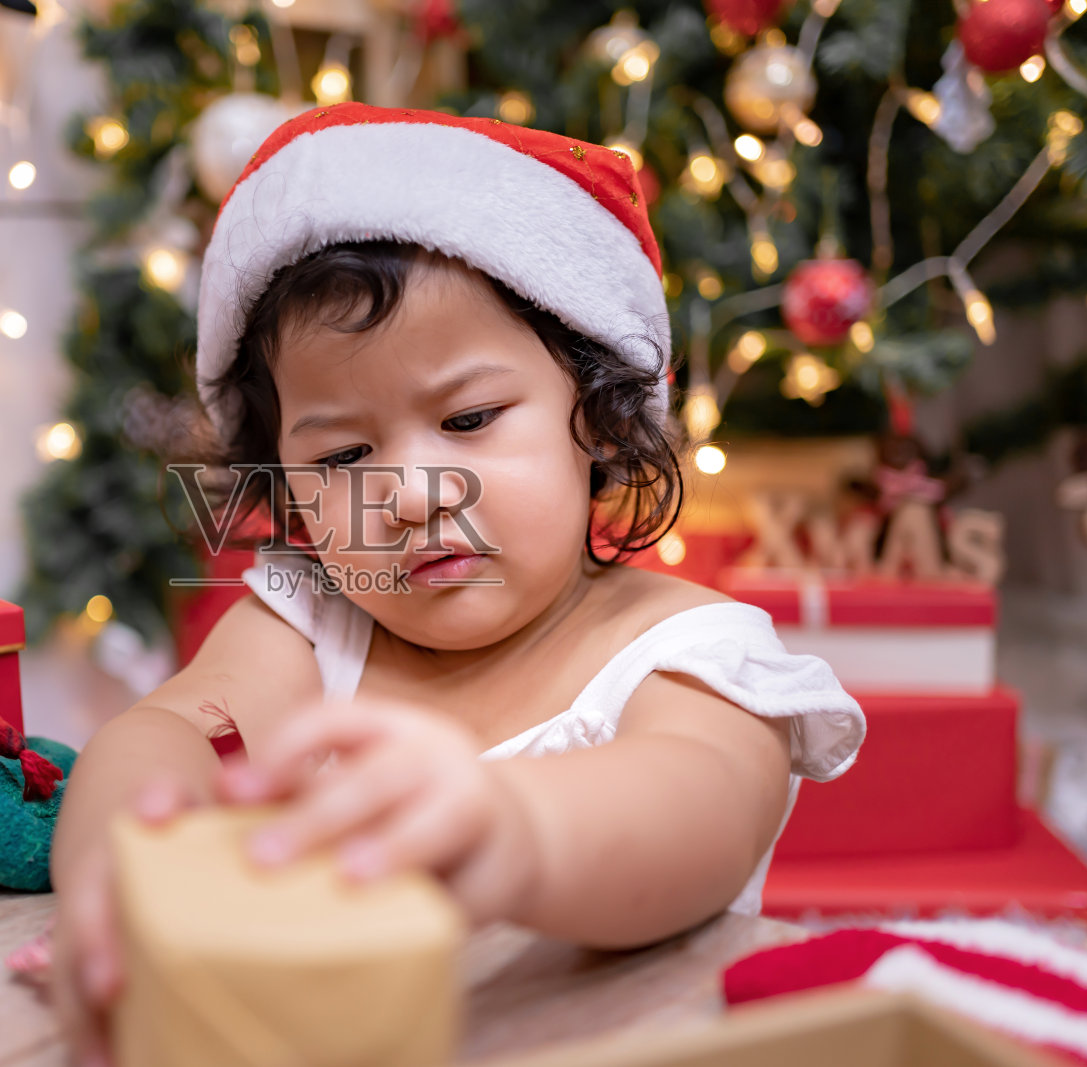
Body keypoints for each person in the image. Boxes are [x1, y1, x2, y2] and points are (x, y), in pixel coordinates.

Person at [45, 103, 866, 1065]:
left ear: (598, 417)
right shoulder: (314, 626)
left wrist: (510, 832)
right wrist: (121, 873)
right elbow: (165, 733)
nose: (409, 494)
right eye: (345, 452)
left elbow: (703, 805)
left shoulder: (692, 655)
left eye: (470, 419)